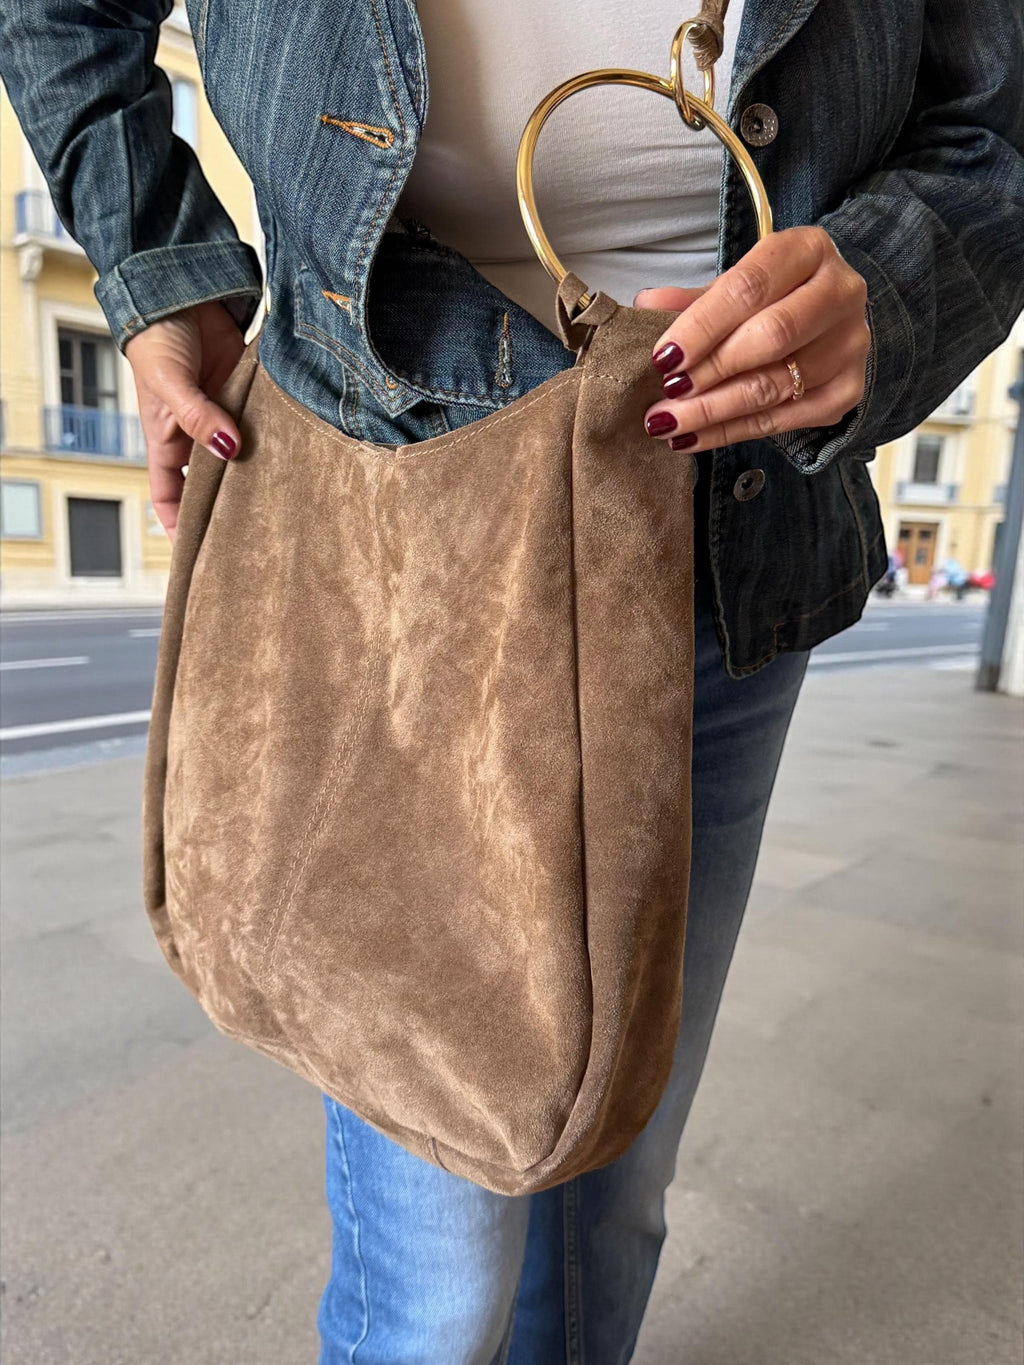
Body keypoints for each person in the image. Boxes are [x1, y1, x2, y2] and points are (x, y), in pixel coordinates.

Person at [2, 2, 1021, 1361]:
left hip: (726, 500)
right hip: (384, 478)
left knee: (614, 1175)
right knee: (438, 1281)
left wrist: (891, 284)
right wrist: (155, 261)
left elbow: (996, 124)